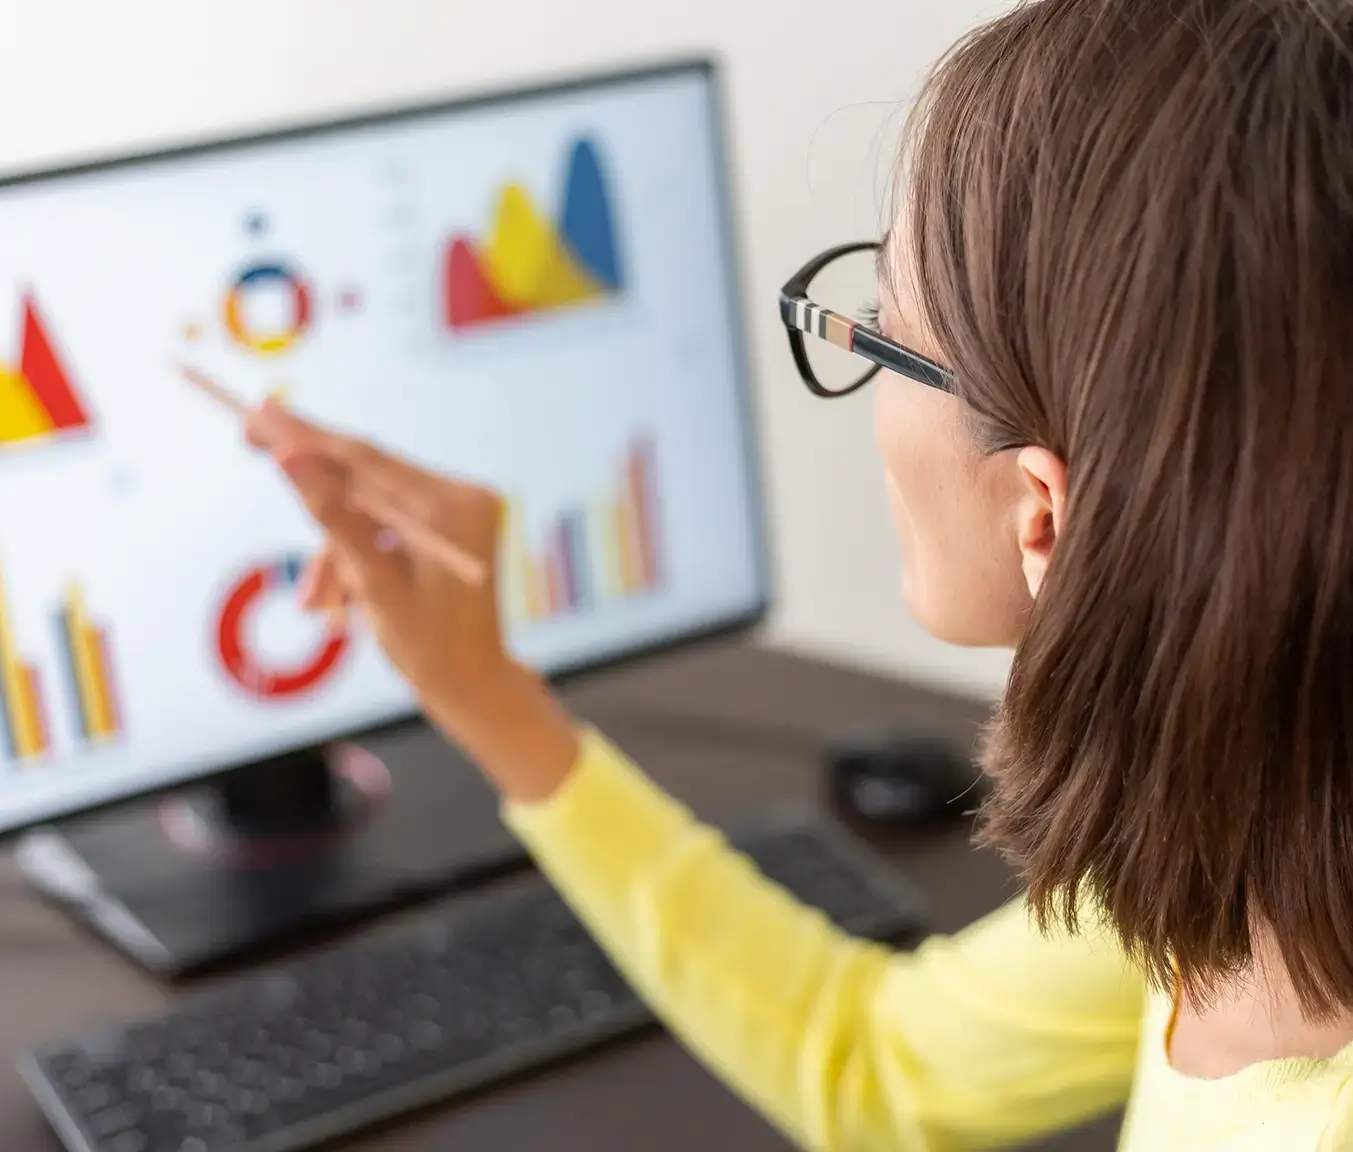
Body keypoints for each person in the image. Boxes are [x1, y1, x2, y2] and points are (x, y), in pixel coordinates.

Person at [241, 0, 1353, 1146]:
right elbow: (876, 1062)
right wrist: (488, 698)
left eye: (883, 332)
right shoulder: (1243, 840)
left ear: (1043, 516)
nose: (864, 382)